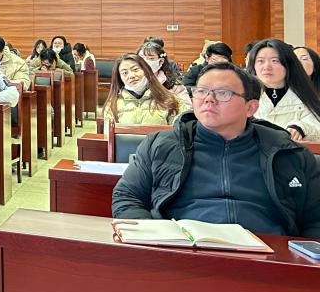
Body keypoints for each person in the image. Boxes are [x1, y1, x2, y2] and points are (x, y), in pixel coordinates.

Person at [112, 62, 320, 237]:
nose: (208, 99)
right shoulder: (160, 145)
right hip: (181, 252)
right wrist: (156, 237)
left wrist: (298, 259)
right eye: (201, 91)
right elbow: (127, 196)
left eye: (223, 93)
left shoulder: (289, 154)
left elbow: (315, 218)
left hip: (268, 257)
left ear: (251, 107)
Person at [247, 38, 320, 142]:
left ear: (288, 64)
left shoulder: (304, 94)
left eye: (274, 61)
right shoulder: (244, 94)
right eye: (260, 61)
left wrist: (300, 128)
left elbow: (316, 122)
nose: (267, 67)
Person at [103, 53, 181, 125]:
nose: (131, 76)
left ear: (146, 70)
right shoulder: (112, 105)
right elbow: (108, 133)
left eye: (135, 69)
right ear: (120, 78)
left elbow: (178, 131)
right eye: (125, 73)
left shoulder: (169, 99)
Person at [137, 42, 192, 111]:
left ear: (161, 61)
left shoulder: (173, 85)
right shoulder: (130, 83)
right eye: (141, 58)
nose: (145, 62)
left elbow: (187, 111)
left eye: (151, 58)